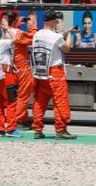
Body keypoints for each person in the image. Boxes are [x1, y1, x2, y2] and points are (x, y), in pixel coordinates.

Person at [31, 10, 77, 140]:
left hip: (40, 72)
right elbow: (66, 48)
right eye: (56, 21)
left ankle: (37, 129)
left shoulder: (37, 35)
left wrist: (60, 35)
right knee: (60, 102)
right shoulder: (56, 37)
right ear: (53, 21)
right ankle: (61, 130)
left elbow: (50, 41)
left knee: (40, 102)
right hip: (55, 72)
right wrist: (69, 35)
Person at [3, 11, 38, 130]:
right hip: (21, 66)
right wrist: (32, 25)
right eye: (18, 20)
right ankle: (16, 121)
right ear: (14, 22)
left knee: (17, 95)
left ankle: (22, 119)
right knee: (23, 95)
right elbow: (33, 38)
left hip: (12, 66)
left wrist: (18, 23)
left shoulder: (7, 31)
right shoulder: (18, 33)